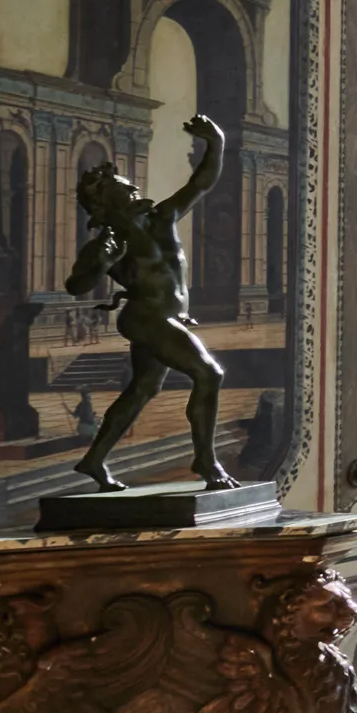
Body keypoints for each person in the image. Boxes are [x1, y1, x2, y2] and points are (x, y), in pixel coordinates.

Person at [64, 112, 232, 489]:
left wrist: (216, 142)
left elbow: (201, 183)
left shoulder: (162, 218)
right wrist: (101, 264)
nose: (134, 190)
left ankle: (94, 460)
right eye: (125, 188)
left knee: (143, 389)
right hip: (146, 318)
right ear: (107, 202)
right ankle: (206, 461)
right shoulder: (109, 242)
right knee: (209, 373)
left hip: (167, 317)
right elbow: (76, 284)